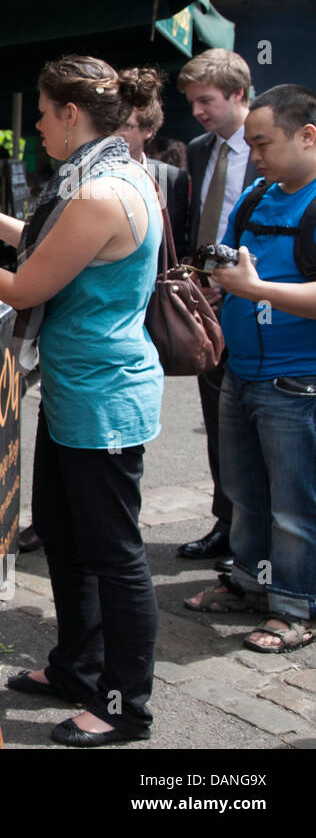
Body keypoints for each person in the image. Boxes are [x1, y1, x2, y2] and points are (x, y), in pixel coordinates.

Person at [0, 55, 164, 746]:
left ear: (71, 115)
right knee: (63, 531)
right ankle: (75, 667)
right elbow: (52, 250)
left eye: (46, 115)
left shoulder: (98, 193)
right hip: (76, 388)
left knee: (113, 553)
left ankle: (124, 705)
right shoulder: (103, 177)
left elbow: (28, 288)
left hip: (102, 395)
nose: (39, 130)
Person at [183, 84, 316, 653]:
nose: (254, 155)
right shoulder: (259, 194)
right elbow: (229, 260)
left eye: (264, 143)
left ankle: (294, 606)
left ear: (308, 135)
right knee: (243, 491)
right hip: (241, 370)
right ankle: (251, 584)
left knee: (294, 503)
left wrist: (256, 288)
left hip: (298, 381)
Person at [175, 49, 260, 567]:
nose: (198, 111)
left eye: (206, 100)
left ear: (238, 95)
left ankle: (259, 538)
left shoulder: (275, 146)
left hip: (259, 304)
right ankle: (227, 524)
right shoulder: (200, 149)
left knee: (262, 425)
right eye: (192, 102)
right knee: (220, 418)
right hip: (206, 306)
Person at [115, 66, 190, 243]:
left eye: (126, 126)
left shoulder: (172, 179)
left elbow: (176, 243)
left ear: (147, 130)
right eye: (111, 124)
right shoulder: (89, 175)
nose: (115, 132)